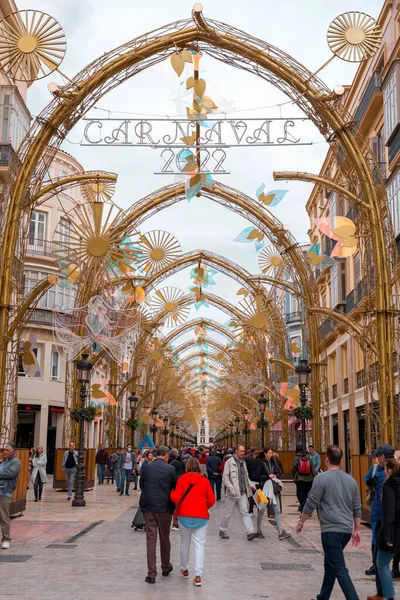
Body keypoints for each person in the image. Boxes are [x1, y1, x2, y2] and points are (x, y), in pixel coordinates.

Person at [296, 444, 361, 600]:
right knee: (330, 563)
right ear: (341, 459)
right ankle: (323, 597)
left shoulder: (321, 478)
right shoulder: (351, 480)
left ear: (326, 459)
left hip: (331, 530)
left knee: (339, 568)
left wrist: (301, 522)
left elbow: (311, 502)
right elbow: (356, 506)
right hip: (346, 530)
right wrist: (357, 529)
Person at [170, 457, 215, 587]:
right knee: (199, 545)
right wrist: (203, 507)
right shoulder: (204, 481)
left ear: (187, 466)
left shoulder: (181, 480)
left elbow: (176, 498)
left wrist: (171, 492)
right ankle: (198, 575)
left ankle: (184, 569)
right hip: (201, 516)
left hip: (184, 515)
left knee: (184, 543)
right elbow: (211, 499)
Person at [140, 446, 177, 584]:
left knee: (150, 539)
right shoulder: (170, 469)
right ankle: (165, 566)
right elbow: (174, 486)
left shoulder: (147, 467)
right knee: (164, 537)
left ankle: (151, 573)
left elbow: (142, 485)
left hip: (148, 506)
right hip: (164, 507)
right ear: (167, 455)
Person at [370, 457, 400, 600]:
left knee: (381, 563)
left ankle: (388, 596)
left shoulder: (389, 485)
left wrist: (388, 536)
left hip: (393, 532)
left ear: (389, 470)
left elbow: (389, 513)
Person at [364, 444, 394, 584]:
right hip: (378, 512)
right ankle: (377, 565)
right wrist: (370, 481)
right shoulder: (375, 469)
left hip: (388, 514)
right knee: (377, 540)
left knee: (387, 540)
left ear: (382, 457)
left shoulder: (391, 472)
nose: (376, 458)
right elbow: (366, 479)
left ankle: (390, 568)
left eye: (377, 456)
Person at [219, 445, 257, 541]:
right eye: (241, 451)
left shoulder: (243, 463)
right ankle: (222, 530)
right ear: (236, 451)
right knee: (227, 513)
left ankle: (250, 532)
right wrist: (231, 489)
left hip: (242, 492)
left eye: (243, 451)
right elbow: (225, 477)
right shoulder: (229, 462)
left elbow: (245, 476)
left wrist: (250, 484)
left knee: (245, 512)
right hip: (232, 493)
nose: (243, 453)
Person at [259, 448, 291, 541]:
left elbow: (278, 472)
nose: (271, 454)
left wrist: (276, 475)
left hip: (273, 488)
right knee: (261, 510)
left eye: (271, 453)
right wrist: (268, 476)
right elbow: (258, 476)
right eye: (269, 453)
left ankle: (280, 532)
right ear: (265, 454)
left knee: (276, 509)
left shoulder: (274, 462)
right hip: (265, 488)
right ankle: (258, 530)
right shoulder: (261, 463)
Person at [0, 443, 21, 549]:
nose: (4, 452)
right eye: (4, 450)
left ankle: (6, 539)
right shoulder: (3, 461)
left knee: (4, 516)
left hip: (4, 491)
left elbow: (10, 474)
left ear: (13, 452)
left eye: (7, 450)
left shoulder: (16, 462)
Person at [291, 444, 316, 511]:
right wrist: (314, 477)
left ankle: (304, 509)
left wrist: (294, 477)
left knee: (300, 495)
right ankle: (308, 510)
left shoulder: (295, 458)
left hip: (300, 479)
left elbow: (292, 468)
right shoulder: (309, 457)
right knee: (308, 495)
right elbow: (312, 469)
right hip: (309, 479)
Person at [169, 448, 185, 530]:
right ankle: (175, 524)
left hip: (165, 486)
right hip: (174, 487)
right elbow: (180, 476)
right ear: (176, 454)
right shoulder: (178, 463)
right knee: (175, 506)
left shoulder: (166, 460)